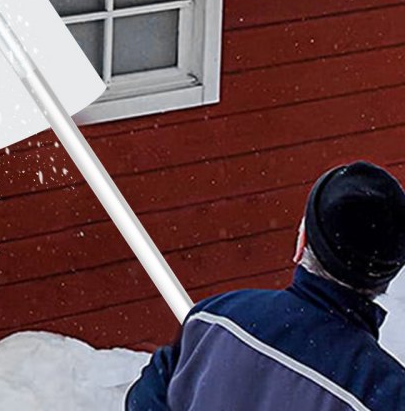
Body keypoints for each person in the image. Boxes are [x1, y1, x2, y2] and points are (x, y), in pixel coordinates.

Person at [125, 160, 405, 410]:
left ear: (301, 243)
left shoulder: (213, 319)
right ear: (386, 277)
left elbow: (145, 399)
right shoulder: (386, 393)